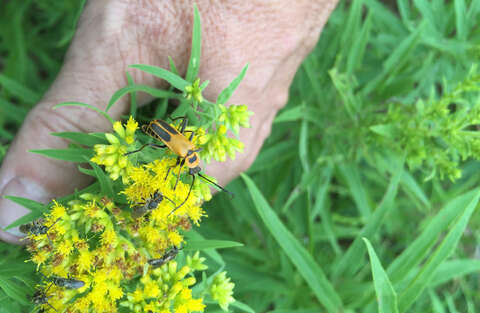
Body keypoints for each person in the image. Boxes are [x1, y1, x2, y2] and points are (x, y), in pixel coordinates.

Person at [0, 0, 338, 243]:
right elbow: (174, 150)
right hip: (157, 135)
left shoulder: (189, 153)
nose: (191, 166)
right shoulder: (186, 156)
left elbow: (178, 148)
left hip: (161, 136)